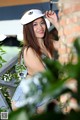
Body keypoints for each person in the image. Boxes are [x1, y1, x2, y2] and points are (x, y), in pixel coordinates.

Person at [11, 9, 59, 110]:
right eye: (35, 25)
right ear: (28, 29)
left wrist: (55, 22)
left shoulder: (48, 43)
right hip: (25, 99)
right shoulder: (29, 51)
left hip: (42, 94)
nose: (40, 27)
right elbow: (47, 76)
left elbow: (67, 42)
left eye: (42, 23)